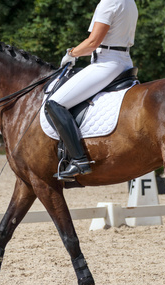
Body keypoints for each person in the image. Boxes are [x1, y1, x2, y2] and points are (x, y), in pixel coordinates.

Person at [45, 0, 138, 179]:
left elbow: (93, 42)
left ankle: (79, 160)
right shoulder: (129, 2)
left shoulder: (109, 2)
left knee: (55, 103)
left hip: (106, 63)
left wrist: (71, 53)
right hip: (124, 60)